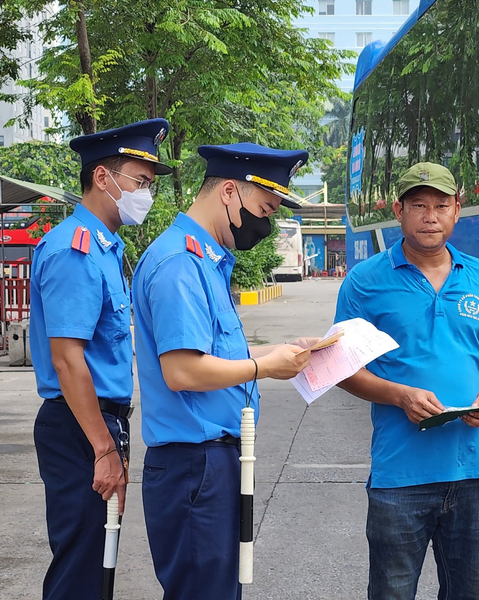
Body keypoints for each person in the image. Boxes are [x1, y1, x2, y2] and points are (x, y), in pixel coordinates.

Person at [132, 142, 315, 600]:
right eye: (264, 208)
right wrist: (264, 367)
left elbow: (213, 352)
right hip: (194, 466)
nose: (266, 223)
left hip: (212, 462)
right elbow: (182, 371)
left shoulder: (205, 260)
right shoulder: (180, 264)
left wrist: (280, 350)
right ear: (229, 192)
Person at [335, 162, 479, 600]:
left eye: (441, 205)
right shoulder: (366, 280)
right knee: (392, 591)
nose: (430, 216)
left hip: (474, 470)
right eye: (419, 205)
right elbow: (341, 368)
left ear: (458, 209)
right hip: (400, 476)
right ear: (399, 210)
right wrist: (399, 395)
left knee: (465, 590)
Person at [29, 118, 172, 600]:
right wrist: (103, 449)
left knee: (99, 555)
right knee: (82, 564)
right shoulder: (77, 250)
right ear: (102, 178)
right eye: (140, 182)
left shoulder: (107, 249)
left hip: (99, 424)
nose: (146, 195)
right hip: (79, 426)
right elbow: (68, 360)